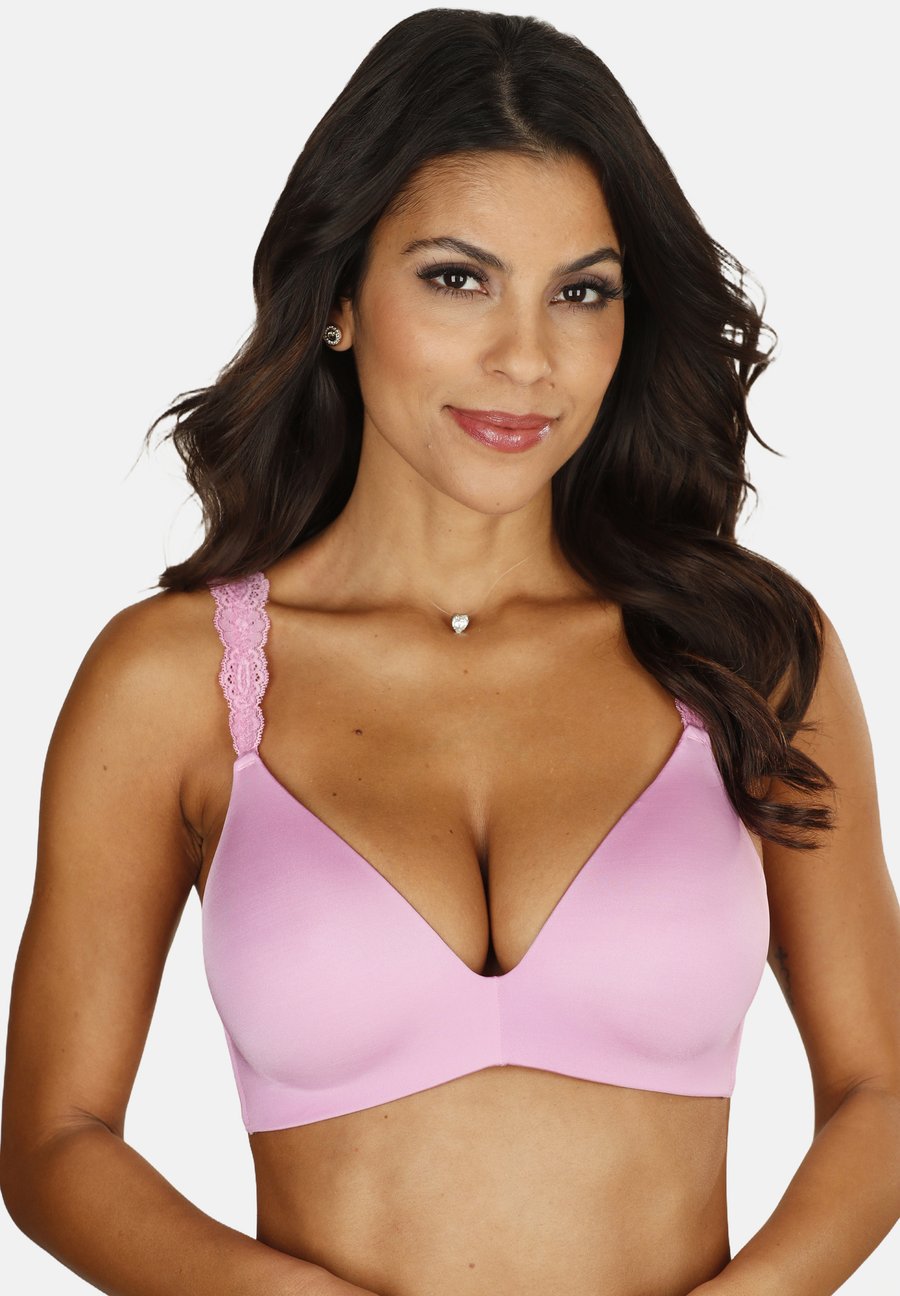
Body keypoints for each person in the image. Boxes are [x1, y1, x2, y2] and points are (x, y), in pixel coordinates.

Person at [2, 9, 899, 1296]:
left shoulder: (747, 650)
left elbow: (881, 1089)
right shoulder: (175, 683)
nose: (526, 359)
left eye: (581, 293)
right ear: (338, 301)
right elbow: (54, 1141)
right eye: (457, 279)